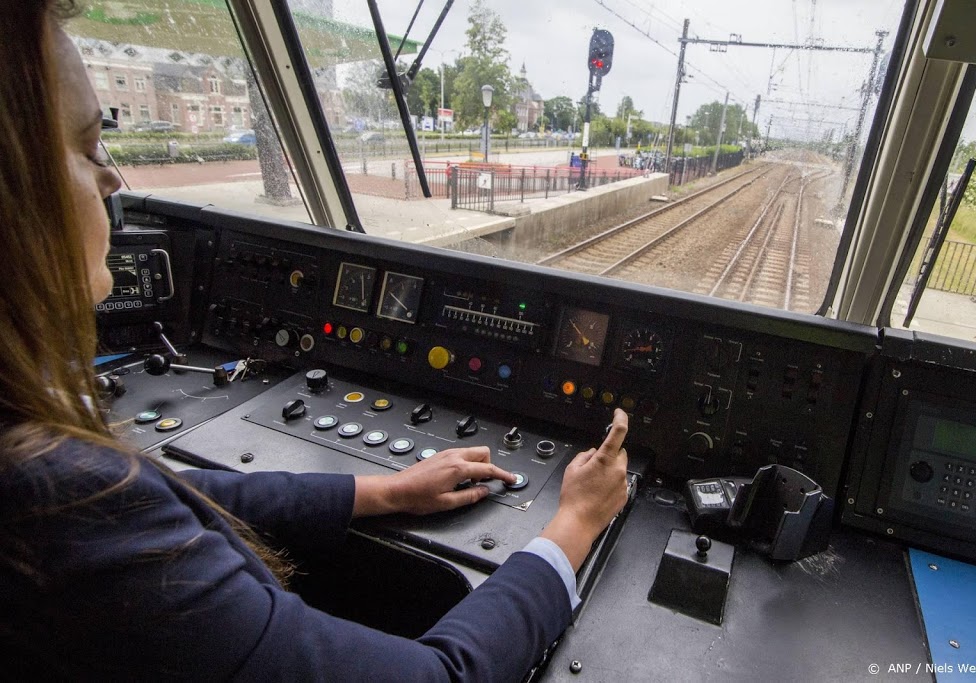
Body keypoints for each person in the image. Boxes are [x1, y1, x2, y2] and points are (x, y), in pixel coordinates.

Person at [0, 2, 631, 680]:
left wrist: (383, 491)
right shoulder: (58, 505)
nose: (112, 181)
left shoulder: (47, 474)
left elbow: (180, 486)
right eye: (91, 147)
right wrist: (569, 528)